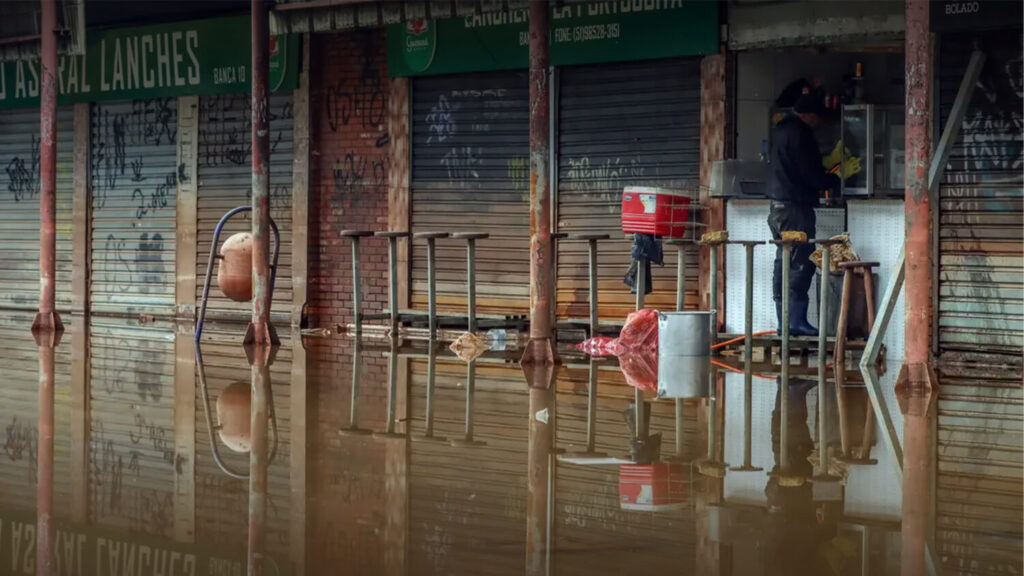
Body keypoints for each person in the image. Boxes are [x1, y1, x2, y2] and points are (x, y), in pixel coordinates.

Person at [767, 90, 856, 336]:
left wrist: (826, 168)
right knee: (799, 263)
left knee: (784, 261)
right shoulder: (800, 133)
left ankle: (786, 322)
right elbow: (809, 173)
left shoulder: (783, 130)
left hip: (778, 209)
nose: (820, 123)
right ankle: (795, 322)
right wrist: (833, 179)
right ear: (808, 115)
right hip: (795, 209)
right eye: (818, 117)